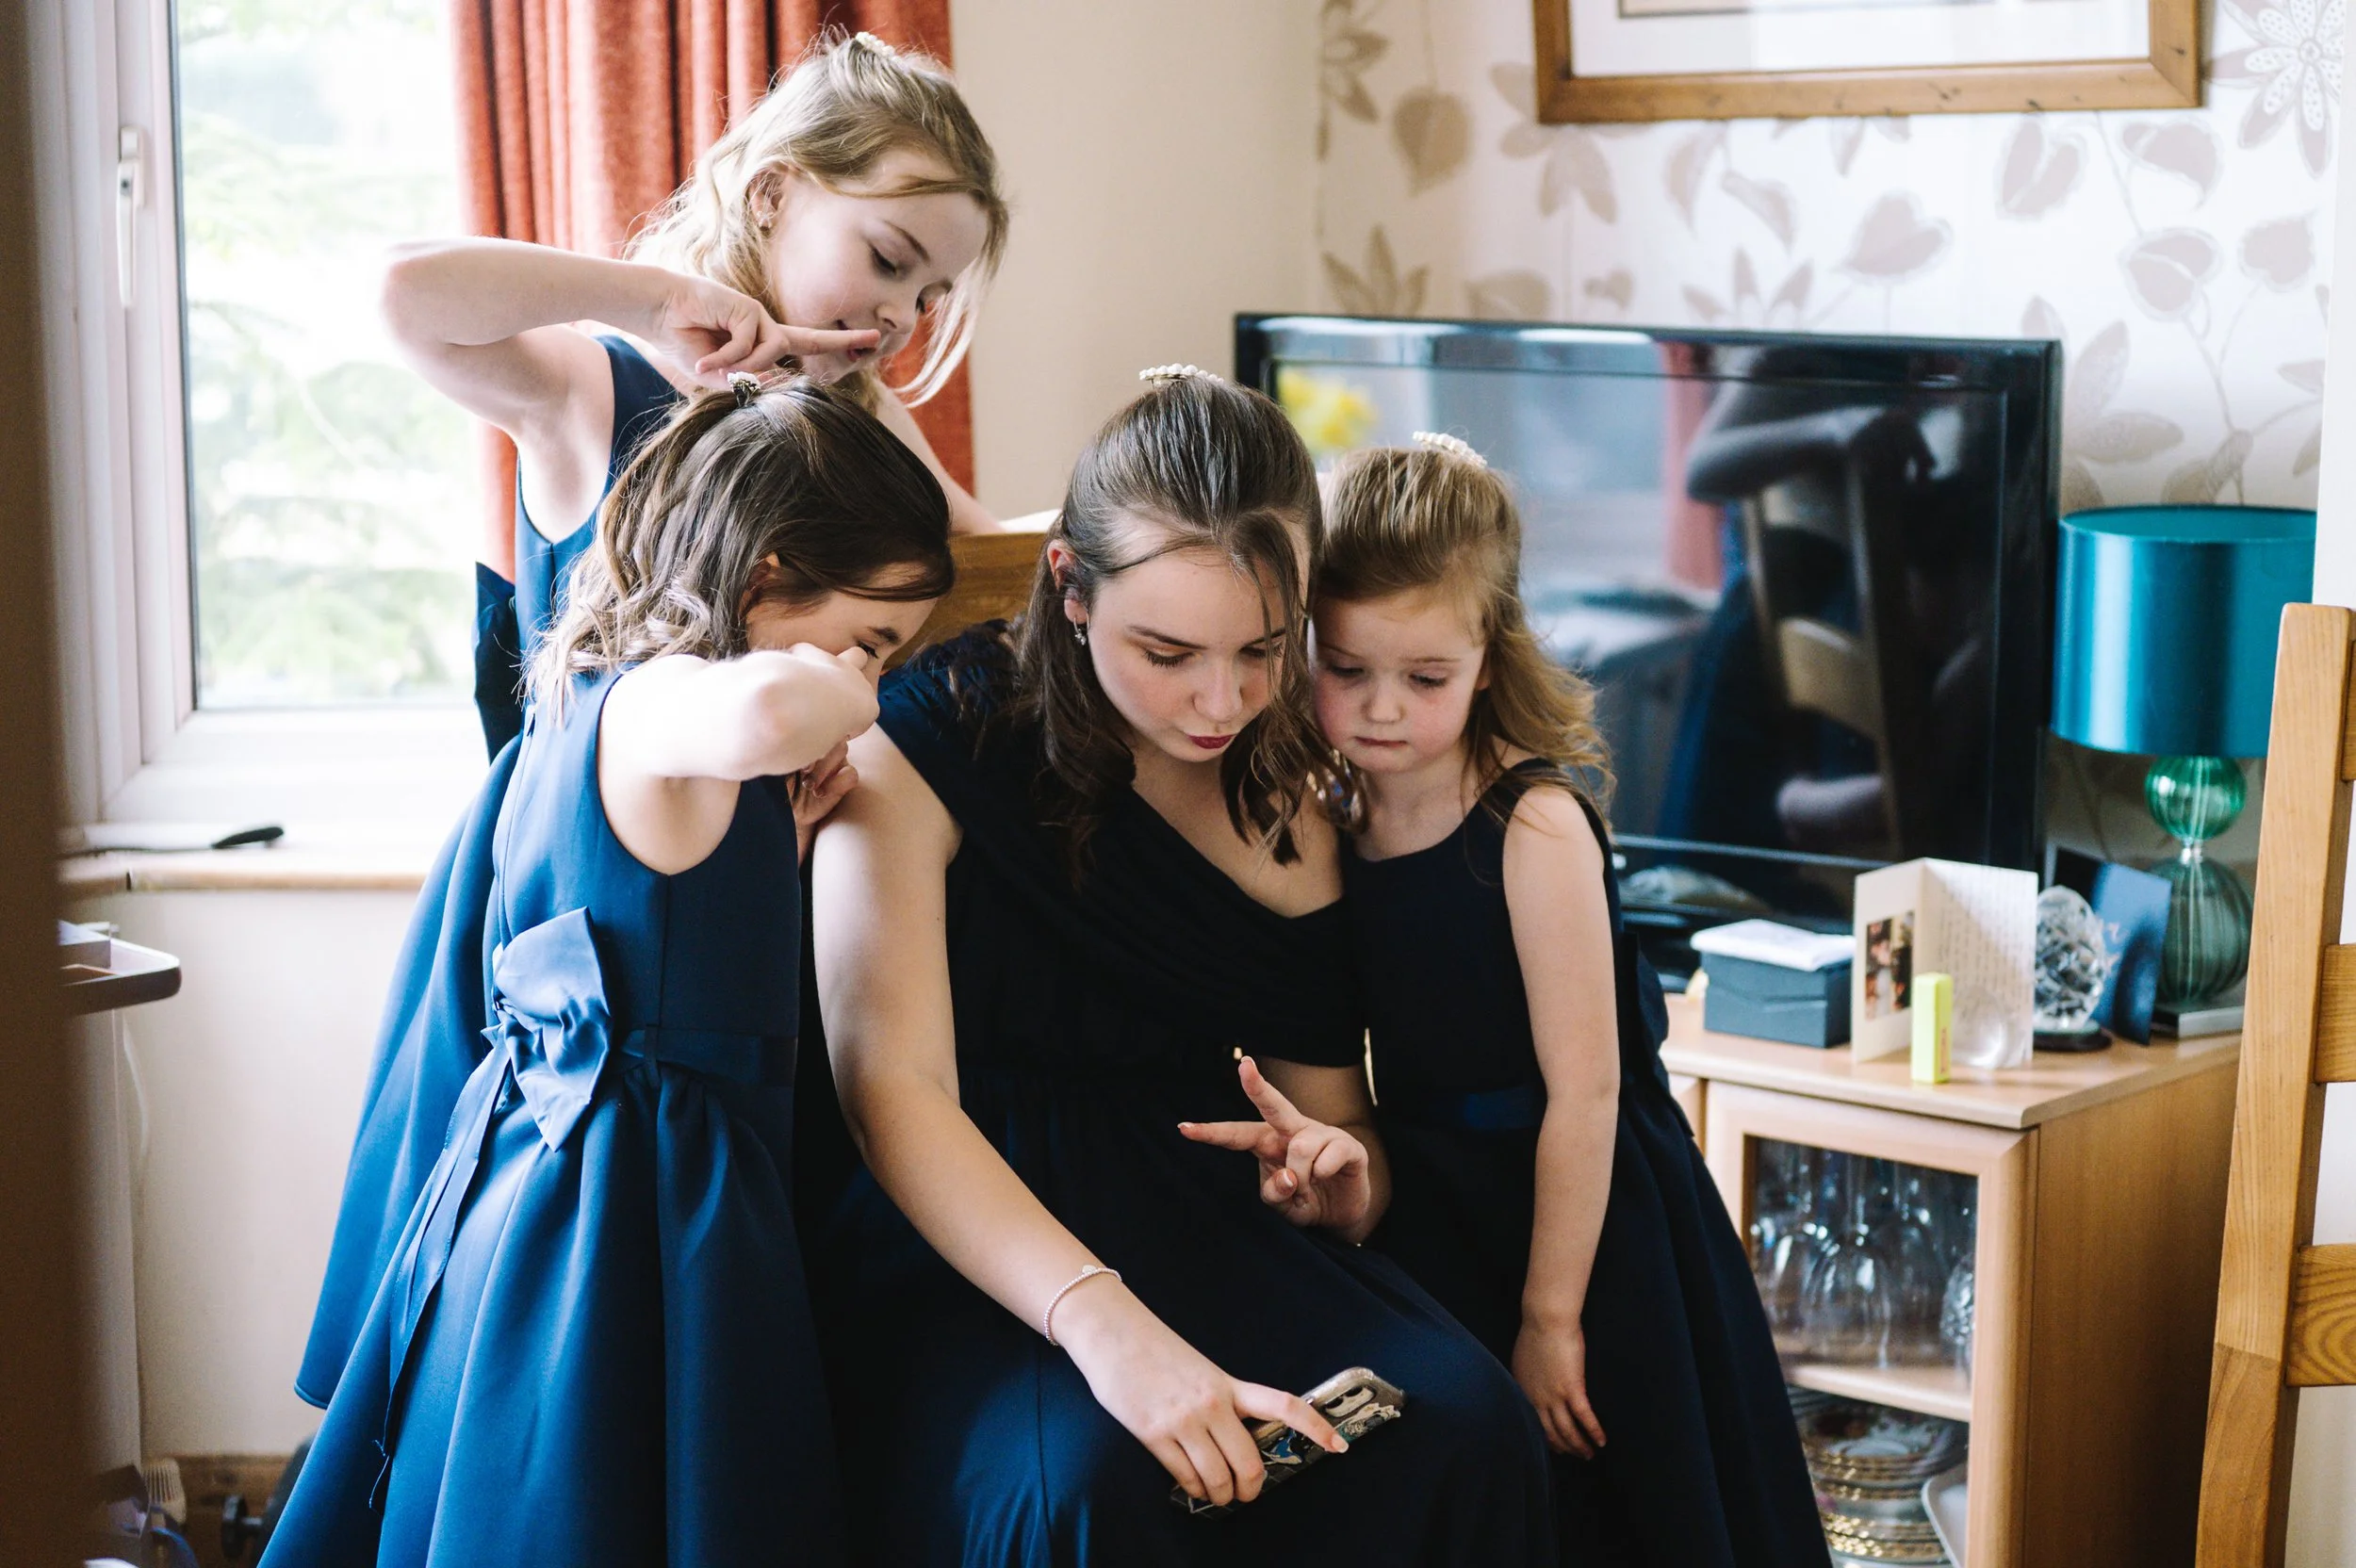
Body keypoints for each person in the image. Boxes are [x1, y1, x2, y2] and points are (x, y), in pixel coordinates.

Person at [295, 28, 1006, 1411]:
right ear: (774, 193)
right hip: (582, 929)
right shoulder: (596, 388)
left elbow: (994, 571)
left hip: (749, 920)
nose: (900, 315)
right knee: (547, 1340)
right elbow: (405, 295)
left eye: (930, 294)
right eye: (886, 260)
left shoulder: (856, 425)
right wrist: (650, 297)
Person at [806, 368, 1556, 1566]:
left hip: (1209, 1217)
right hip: (973, 1233)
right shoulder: (921, 744)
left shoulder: (1292, 794)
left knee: (1468, 1425)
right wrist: (1104, 1326)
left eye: (1265, 648)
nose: (1222, 701)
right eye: (1167, 651)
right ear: (1070, 585)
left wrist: (1339, 1184)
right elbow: (888, 1089)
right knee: (1093, 1492)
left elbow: (1337, 1127)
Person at [263, 377, 955, 1568]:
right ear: (765, 576)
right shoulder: (654, 698)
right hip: (631, 1202)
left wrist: (775, 849)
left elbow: (662, 924)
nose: (873, 684)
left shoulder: (598, 713)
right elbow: (768, 706)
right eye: (872, 642)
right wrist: (842, 685)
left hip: (608, 1171)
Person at [1311, 434, 1825, 1567]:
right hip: (1435, 1196)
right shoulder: (1333, 808)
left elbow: (1586, 1092)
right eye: (1345, 669)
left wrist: (1551, 1316)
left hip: (1584, 1214)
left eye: (1425, 678)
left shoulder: (1531, 826)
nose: (1381, 708)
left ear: (1488, 661)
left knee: (1621, 1499)